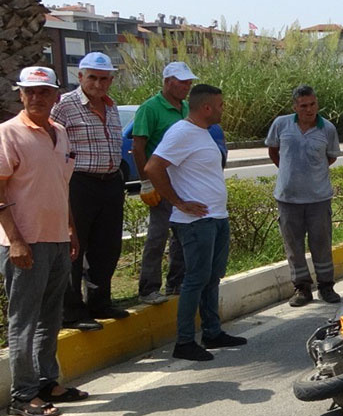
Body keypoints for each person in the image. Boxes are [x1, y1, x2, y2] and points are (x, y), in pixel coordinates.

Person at [1, 67, 89, 416]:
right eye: (30, 92)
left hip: (55, 239)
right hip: (24, 243)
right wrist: (17, 241)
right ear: (20, 95)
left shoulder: (60, 133)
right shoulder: (8, 133)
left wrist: (70, 229)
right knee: (24, 319)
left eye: (44, 92)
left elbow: (61, 186)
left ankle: (47, 381)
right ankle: (23, 395)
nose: (37, 98)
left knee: (50, 316)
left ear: (56, 96)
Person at [145, 84, 246, 362]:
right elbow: (153, 167)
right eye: (221, 105)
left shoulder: (203, 133)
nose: (223, 109)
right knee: (195, 280)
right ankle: (185, 341)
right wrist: (179, 202)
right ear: (206, 108)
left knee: (211, 278)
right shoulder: (181, 132)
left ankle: (212, 332)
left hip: (216, 217)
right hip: (195, 222)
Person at [51, 52, 126, 330]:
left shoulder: (112, 106)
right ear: (80, 77)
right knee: (74, 248)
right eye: (92, 77)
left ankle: (100, 301)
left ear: (111, 80)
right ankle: (71, 311)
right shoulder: (64, 106)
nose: (98, 83)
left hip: (110, 183)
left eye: (104, 78)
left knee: (107, 246)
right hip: (78, 184)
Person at [265, 85, 342, 306]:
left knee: (321, 244)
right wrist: (289, 172)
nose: (309, 110)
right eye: (304, 106)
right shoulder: (281, 124)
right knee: (293, 246)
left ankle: (326, 287)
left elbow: (331, 157)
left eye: (313, 104)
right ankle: (302, 289)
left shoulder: (327, 128)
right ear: (295, 107)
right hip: (288, 199)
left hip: (318, 199)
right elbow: (273, 150)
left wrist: (311, 174)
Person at [133, 61, 196, 305]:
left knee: (181, 235)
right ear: (168, 81)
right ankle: (148, 288)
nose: (186, 86)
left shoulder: (187, 108)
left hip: (183, 184)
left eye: (189, 82)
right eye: (182, 81)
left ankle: (176, 284)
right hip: (161, 184)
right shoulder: (150, 108)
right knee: (157, 235)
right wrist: (146, 182)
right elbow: (138, 148)